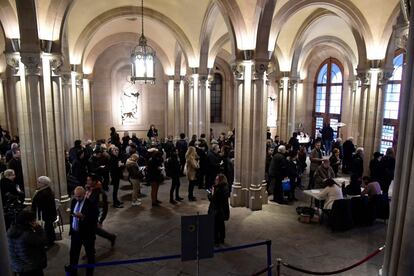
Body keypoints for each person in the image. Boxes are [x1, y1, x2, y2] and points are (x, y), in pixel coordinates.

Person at [69, 186, 98, 276]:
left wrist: (83, 217)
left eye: (79, 196)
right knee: (73, 254)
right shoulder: (73, 201)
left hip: (87, 234)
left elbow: (94, 219)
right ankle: (73, 272)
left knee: (90, 255)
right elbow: (72, 216)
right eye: (76, 196)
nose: (77, 198)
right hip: (75, 233)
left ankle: (89, 273)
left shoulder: (91, 204)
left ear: (84, 194)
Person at [7, 210, 48, 276]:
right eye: (33, 220)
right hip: (31, 267)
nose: (35, 221)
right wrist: (39, 228)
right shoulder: (27, 235)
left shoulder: (12, 231)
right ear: (28, 222)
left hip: (18, 266)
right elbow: (43, 240)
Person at [85, 174, 116, 247]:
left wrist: (100, 220)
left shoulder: (100, 193)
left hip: (94, 216)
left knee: (91, 233)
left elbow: (102, 208)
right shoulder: (89, 188)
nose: (87, 181)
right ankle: (111, 237)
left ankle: (90, 251)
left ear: (94, 181)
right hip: (89, 214)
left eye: (89, 180)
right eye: (87, 180)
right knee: (94, 231)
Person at [31, 176, 57, 247]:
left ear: (44, 183)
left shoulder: (44, 192)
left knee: (47, 228)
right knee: (49, 227)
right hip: (48, 213)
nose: (38, 183)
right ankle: (50, 240)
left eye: (39, 182)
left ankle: (48, 242)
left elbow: (38, 202)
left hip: (46, 214)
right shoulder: (46, 190)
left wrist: (35, 195)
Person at [208, 174, 230, 245]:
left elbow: (213, 199)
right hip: (223, 210)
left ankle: (216, 241)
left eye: (217, 179)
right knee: (221, 225)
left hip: (216, 210)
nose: (215, 180)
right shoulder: (226, 187)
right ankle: (222, 239)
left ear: (220, 180)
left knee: (215, 226)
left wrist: (210, 194)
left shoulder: (217, 189)